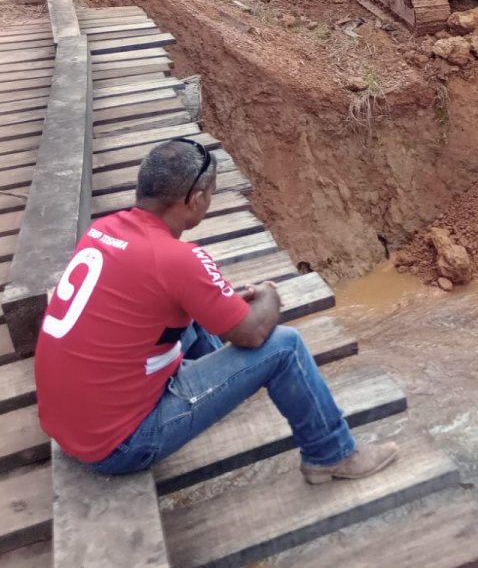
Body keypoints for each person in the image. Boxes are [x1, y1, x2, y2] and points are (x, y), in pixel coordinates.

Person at [33, 138, 398, 483]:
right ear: (195, 199)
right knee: (284, 346)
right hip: (121, 446)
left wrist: (224, 304)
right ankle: (332, 454)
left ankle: (213, 382)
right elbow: (253, 334)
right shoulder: (177, 259)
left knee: (189, 308)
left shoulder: (102, 229)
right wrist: (269, 296)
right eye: (210, 194)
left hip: (70, 426)